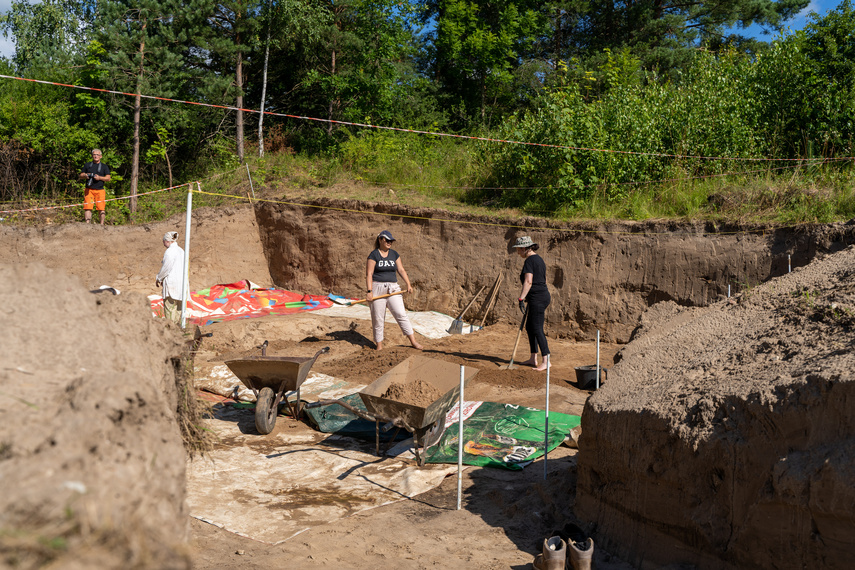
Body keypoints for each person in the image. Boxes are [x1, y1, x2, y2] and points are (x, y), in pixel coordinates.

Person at [366, 230, 423, 351]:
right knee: (378, 318)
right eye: (387, 240)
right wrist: (369, 291)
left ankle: (413, 341)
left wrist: (408, 284)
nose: (389, 242)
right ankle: (379, 346)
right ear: (380, 240)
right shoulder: (373, 255)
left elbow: (401, 270)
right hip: (377, 288)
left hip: (393, 288)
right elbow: (369, 274)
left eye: (391, 241)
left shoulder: (394, 254)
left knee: (401, 314)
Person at [513, 235, 551, 371]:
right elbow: (544, 280)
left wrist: (521, 298)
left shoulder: (529, 261)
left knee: (537, 328)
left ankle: (546, 360)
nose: (518, 252)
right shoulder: (539, 260)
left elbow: (528, 281)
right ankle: (533, 357)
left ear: (524, 248)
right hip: (539, 296)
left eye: (518, 249)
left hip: (538, 298)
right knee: (530, 327)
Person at [156, 231, 185, 324]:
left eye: (163, 241)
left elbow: (166, 268)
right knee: (179, 310)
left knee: (170, 309)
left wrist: (159, 278)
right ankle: (178, 330)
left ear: (167, 241)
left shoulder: (169, 252)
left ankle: (171, 330)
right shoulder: (181, 251)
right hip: (182, 285)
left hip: (172, 284)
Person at [78, 149, 111, 225]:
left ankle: (101, 224)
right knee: (87, 207)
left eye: (97, 155)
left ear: (101, 156)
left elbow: (108, 178)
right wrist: (85, 175)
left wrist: (99, 178)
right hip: (89, 190)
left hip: (100, 190)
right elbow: (80, 175)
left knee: (101, 208)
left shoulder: (104, 166)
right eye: (94, 154)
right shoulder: (87, 165)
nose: (96, 156)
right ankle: (87, 224)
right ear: (92, 156)